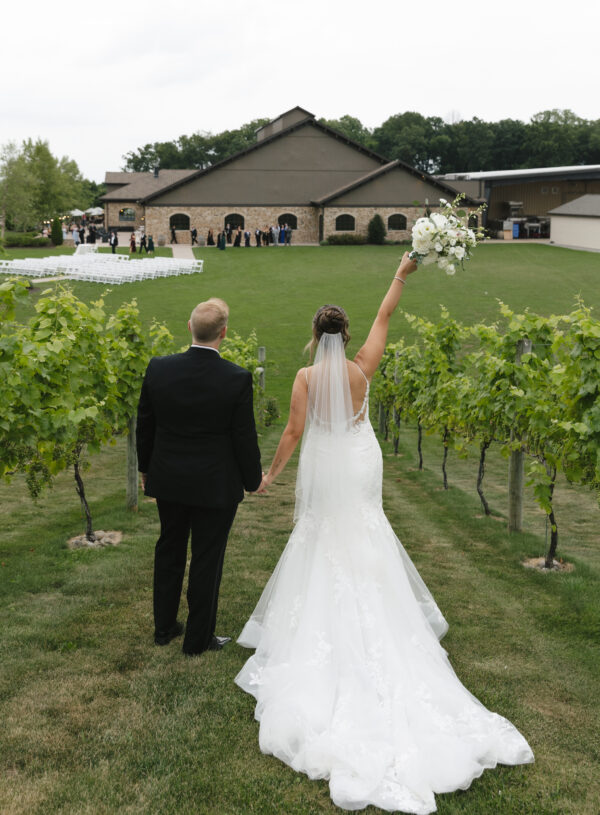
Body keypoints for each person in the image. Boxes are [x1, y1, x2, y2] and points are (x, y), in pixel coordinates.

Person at [235, 253, 534, 813]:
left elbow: (295, 430)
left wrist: (271, 474)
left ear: (313, 334)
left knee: (324, 533)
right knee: (365, 527)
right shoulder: (362, 367)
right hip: (360, 460)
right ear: (344, 334)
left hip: (327, 461)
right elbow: (386, 314)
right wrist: (401, 272)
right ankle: (379, 601)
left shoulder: (304, 377)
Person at [137, 298, 262, 655]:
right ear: (223, 333)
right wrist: (253, 480)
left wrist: (146, 469)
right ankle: (197, 640)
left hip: (170, 480)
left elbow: (145, 425)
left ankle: (164, 629)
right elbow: (244, 436)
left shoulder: (159, 368)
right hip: (215, 485)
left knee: (169, 549)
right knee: (208, 557)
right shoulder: (236, 378)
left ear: (190, 328)